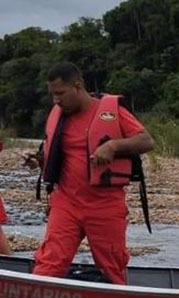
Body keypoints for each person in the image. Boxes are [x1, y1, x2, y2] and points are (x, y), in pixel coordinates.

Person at [26, 62, 154, 284]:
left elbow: (146, 141)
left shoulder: (111, 111)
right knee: (50, 263)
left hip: (104, 203)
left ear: (77, 86)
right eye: (53, 95)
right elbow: (58, 157)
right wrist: (38, 162)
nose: (56, 100)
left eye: (60, 93)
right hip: (66, 202)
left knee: (112, 266)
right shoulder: (58, 114)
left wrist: (113, 146)